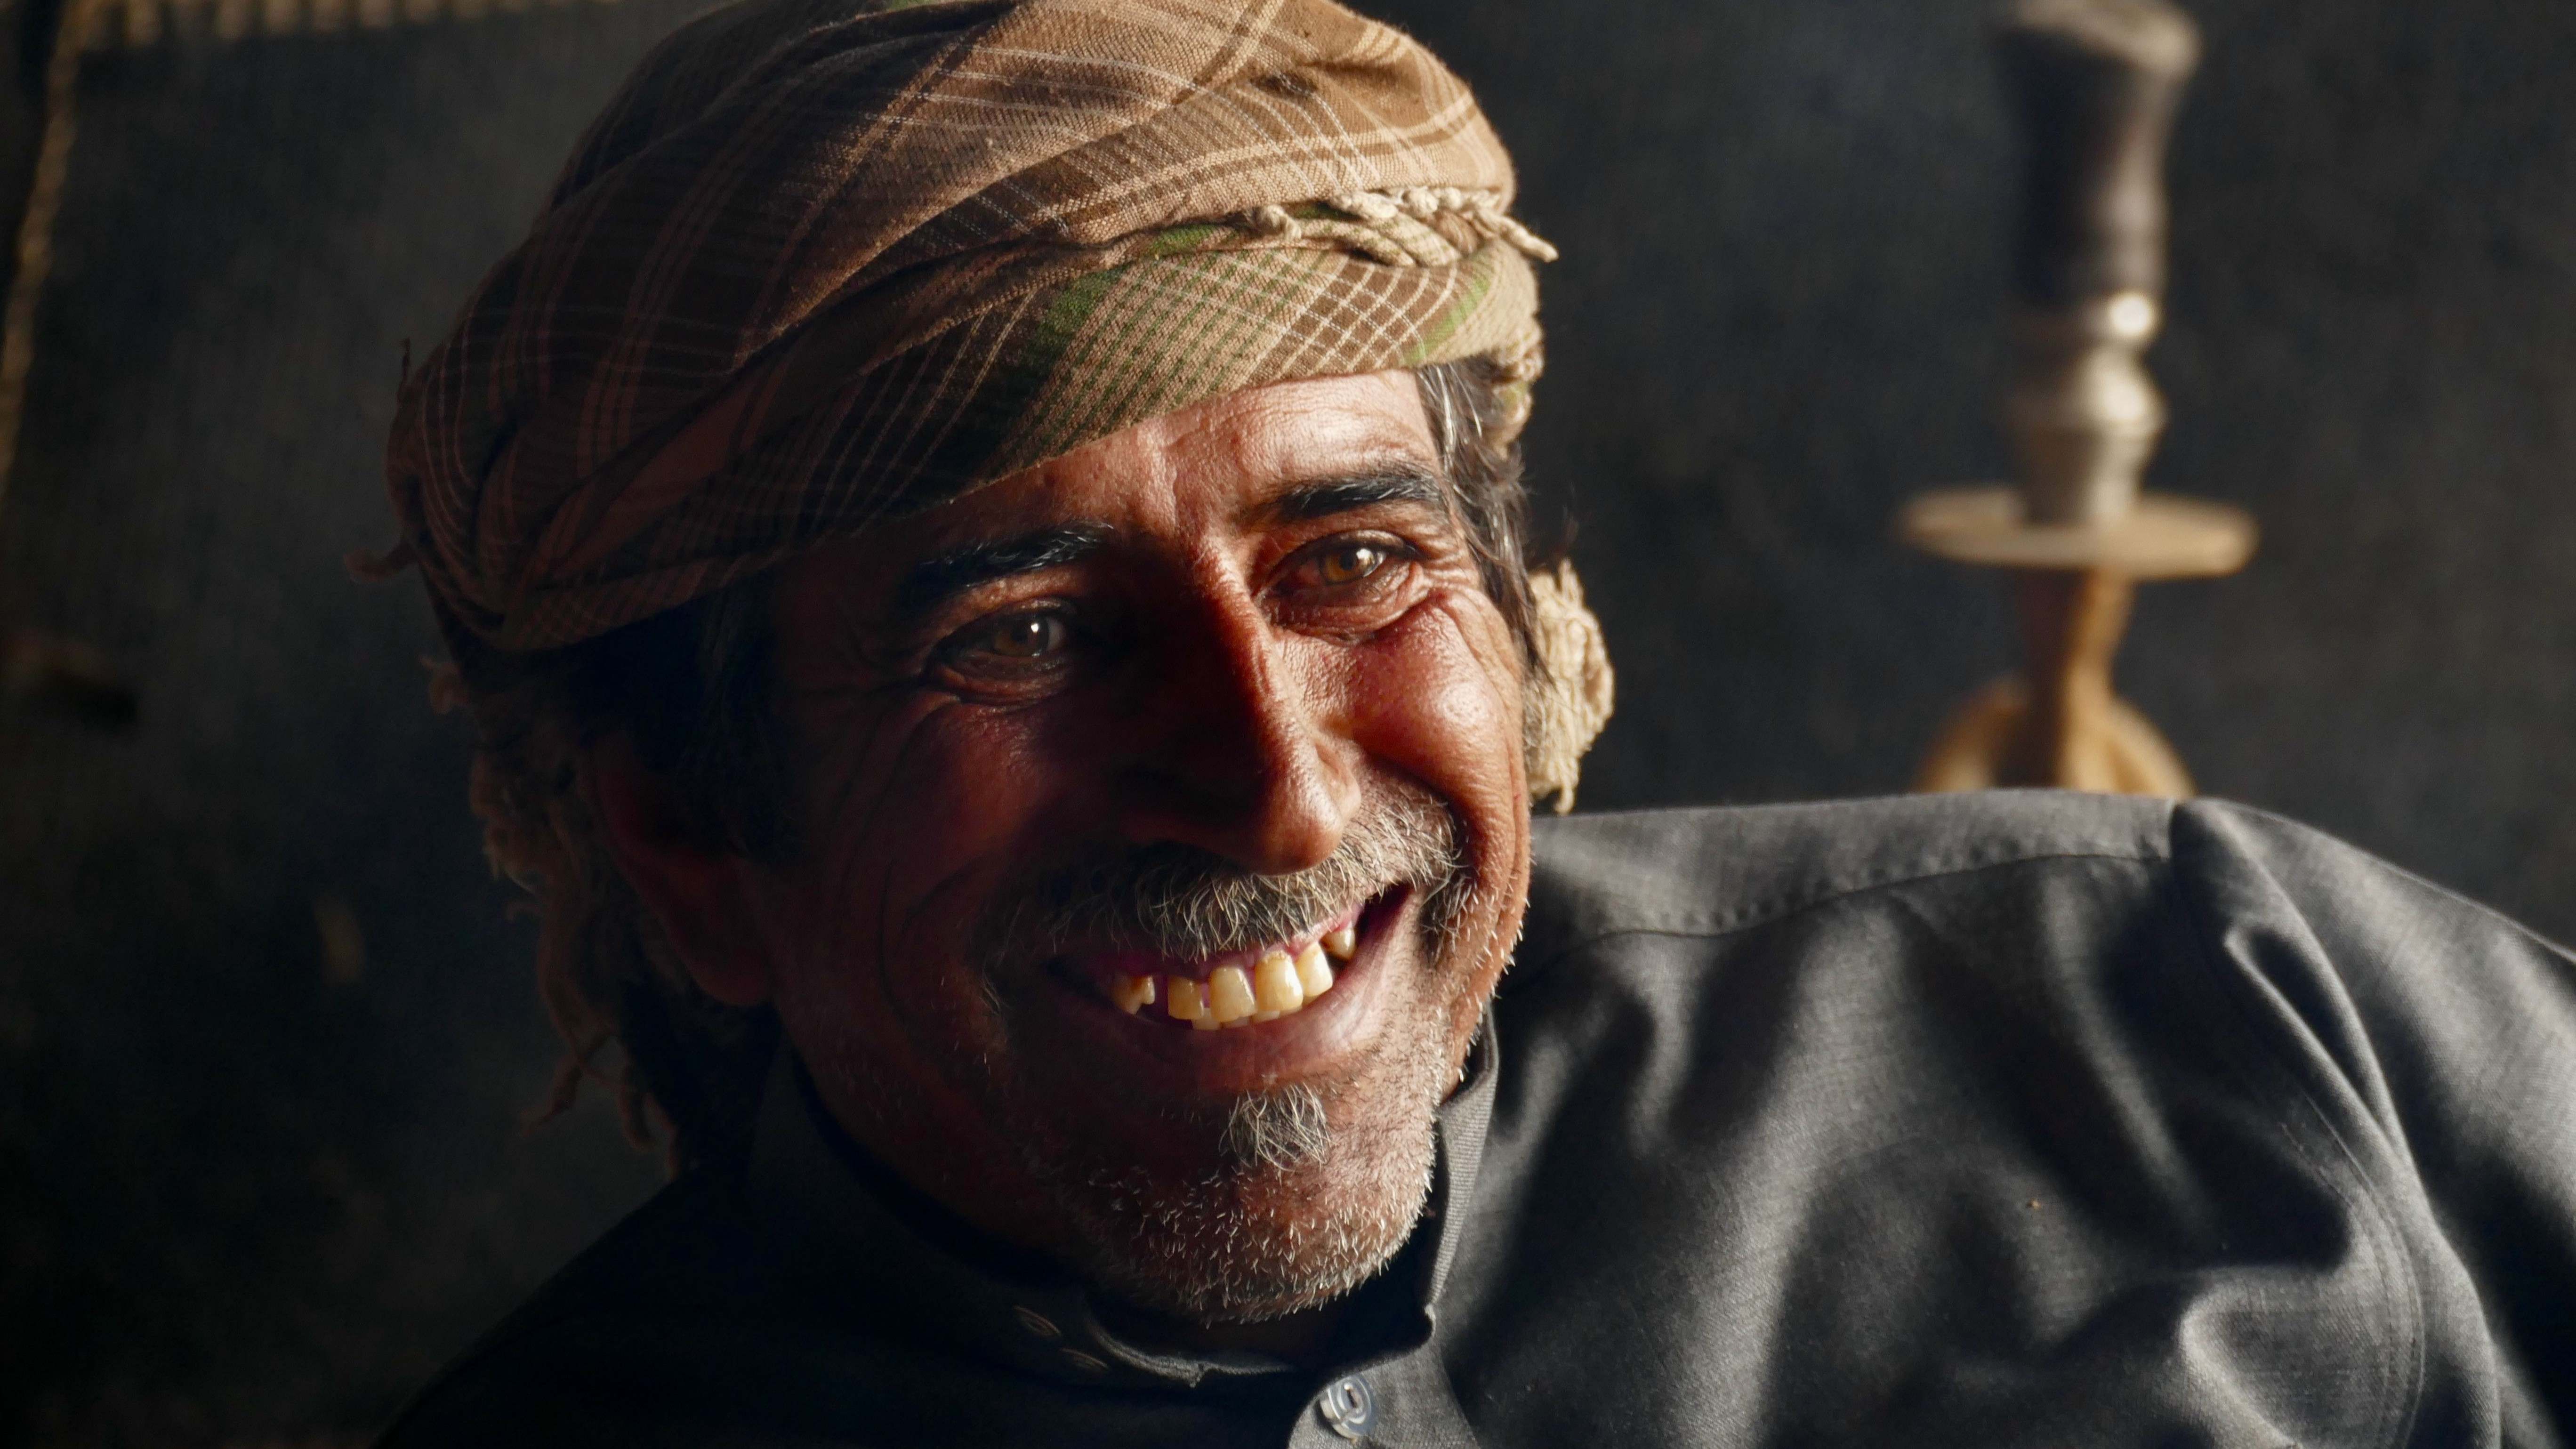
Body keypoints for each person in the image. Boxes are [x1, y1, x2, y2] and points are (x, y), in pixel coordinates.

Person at [369, 0, 2576, 1442]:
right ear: (681, 832)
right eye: (1032, 637)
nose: (1279, 771)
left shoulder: (2191, 1004)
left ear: (1518, 620)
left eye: (1348, 561)